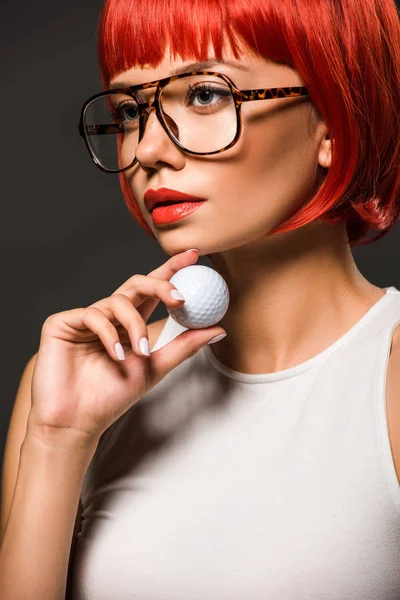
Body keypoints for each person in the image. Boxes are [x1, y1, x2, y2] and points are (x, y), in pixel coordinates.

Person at [1, 0, 400, 598]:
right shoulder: (64, 388)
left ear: (334, 125)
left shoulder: (389, 382)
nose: (150, 150)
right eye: (131, 109)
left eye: (206, 95)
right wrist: (59, 439)